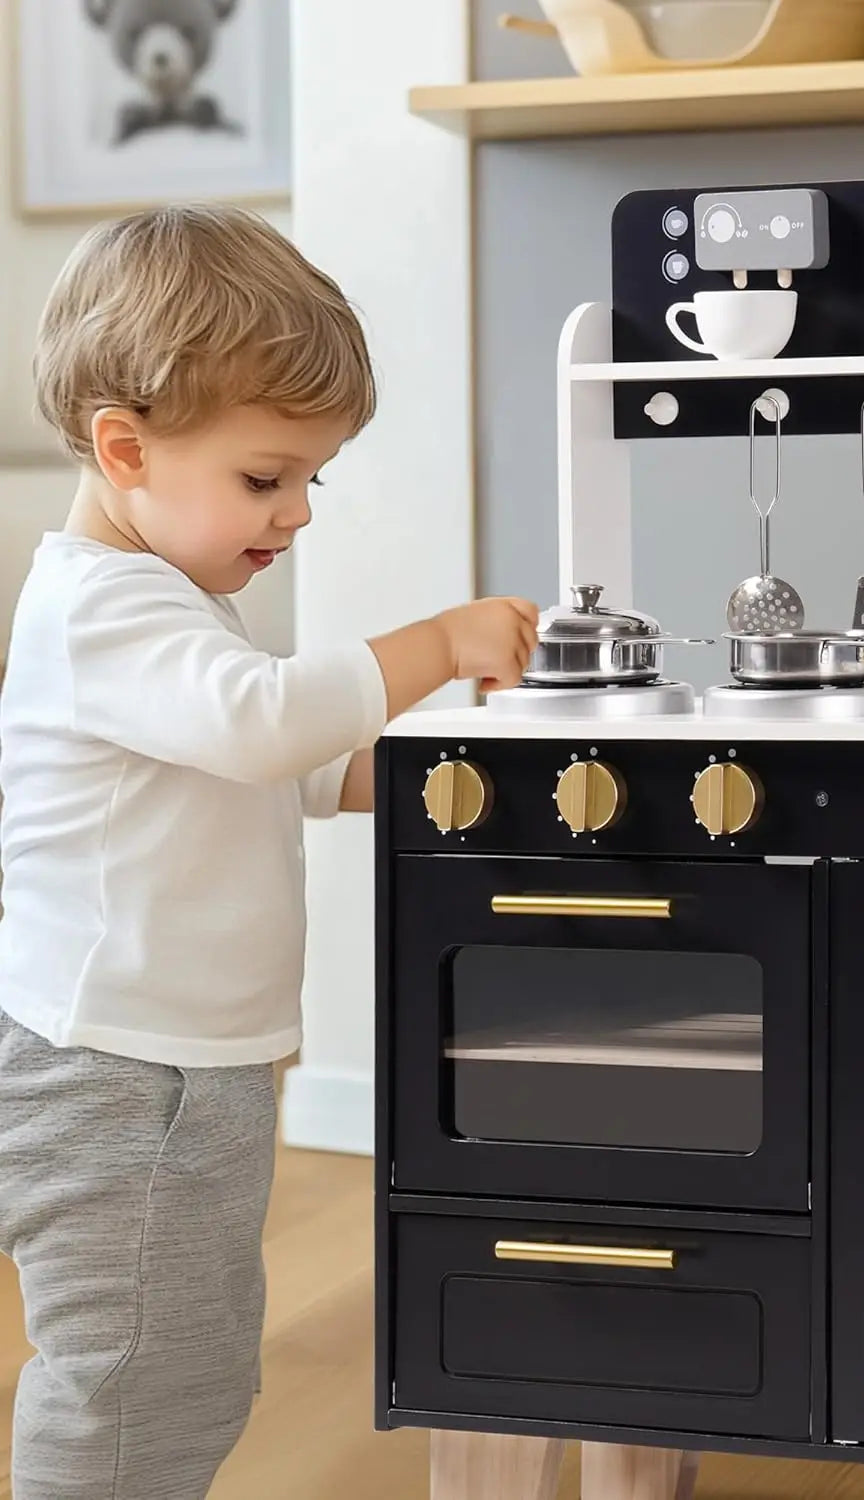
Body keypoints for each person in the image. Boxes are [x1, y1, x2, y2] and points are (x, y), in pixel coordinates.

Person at [0, 202, 538, 1498]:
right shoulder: (102, 605)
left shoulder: (170, 606)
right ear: (123, 448)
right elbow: (255, 726)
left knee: (185, 1369)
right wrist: (440, 643)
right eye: (264, 477)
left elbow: (273, 769)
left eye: (310, 479)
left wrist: (428, 788)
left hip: (186, 1065)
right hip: (119, 1077)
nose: (295, 513)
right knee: (132, 1380)